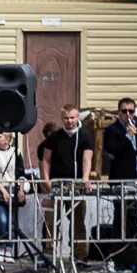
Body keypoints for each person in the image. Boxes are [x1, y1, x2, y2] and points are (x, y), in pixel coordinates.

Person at [41, 104, 94, 262]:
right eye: (66, 118)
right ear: (62, 118)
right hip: (57, 184)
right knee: (51, 220)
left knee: (78, 220)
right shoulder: (55, 137)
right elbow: (46, 160)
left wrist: (85, 178)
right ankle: (49, 253)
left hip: (75, 185)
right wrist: (46, 180)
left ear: (77, 118)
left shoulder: (84, 136)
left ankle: (79, 255)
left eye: (72, 118)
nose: (69, 121)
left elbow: (87, 158)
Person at [103, 98, 137, 241]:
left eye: (131, 111)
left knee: (134, 215)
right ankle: (119, 253)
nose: (128, 114)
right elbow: (112, 151)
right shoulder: (112, 130)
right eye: (124, 111)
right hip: (121, 179)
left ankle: (133, 253)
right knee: (121, 217)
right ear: (119, 112)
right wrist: (127, 136)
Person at [0, 132, 26, 258]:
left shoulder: (17, 152)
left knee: (12, 220)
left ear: (7, 139)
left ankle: (9, 248)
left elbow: (21, 173)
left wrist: (21, 189)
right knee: (3, 219)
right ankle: (2, 246)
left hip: (14, 188)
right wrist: (3, 191)